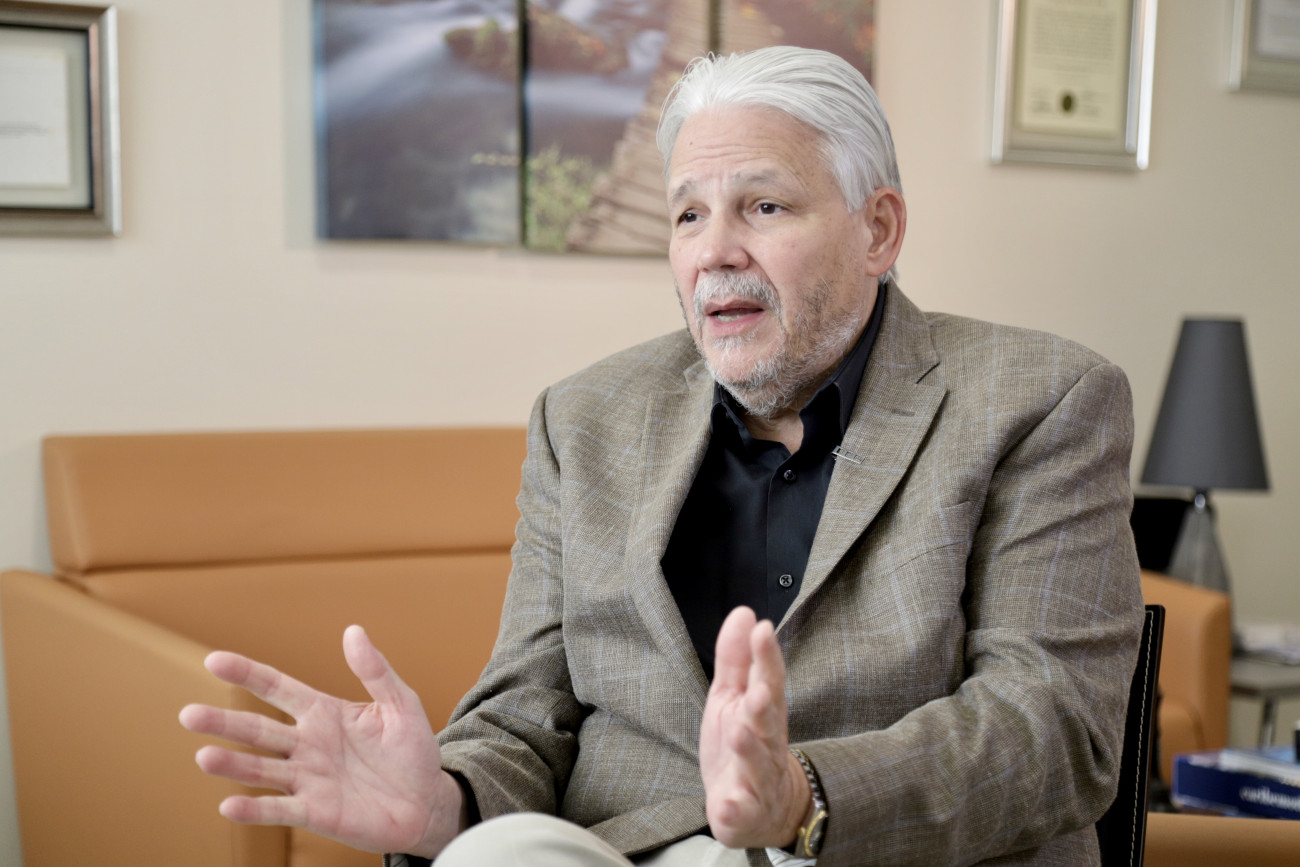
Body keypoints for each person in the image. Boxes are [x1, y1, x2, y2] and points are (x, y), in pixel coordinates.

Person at [180, 46, 1144, 867]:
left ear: (878, 230)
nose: (714, 251)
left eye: (764, 207)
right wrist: (445, 800)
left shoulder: (1039, 399)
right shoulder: (584, 418)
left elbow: (1054, 727)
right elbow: (525, 714)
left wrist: (799, 796)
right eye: (688, 216)